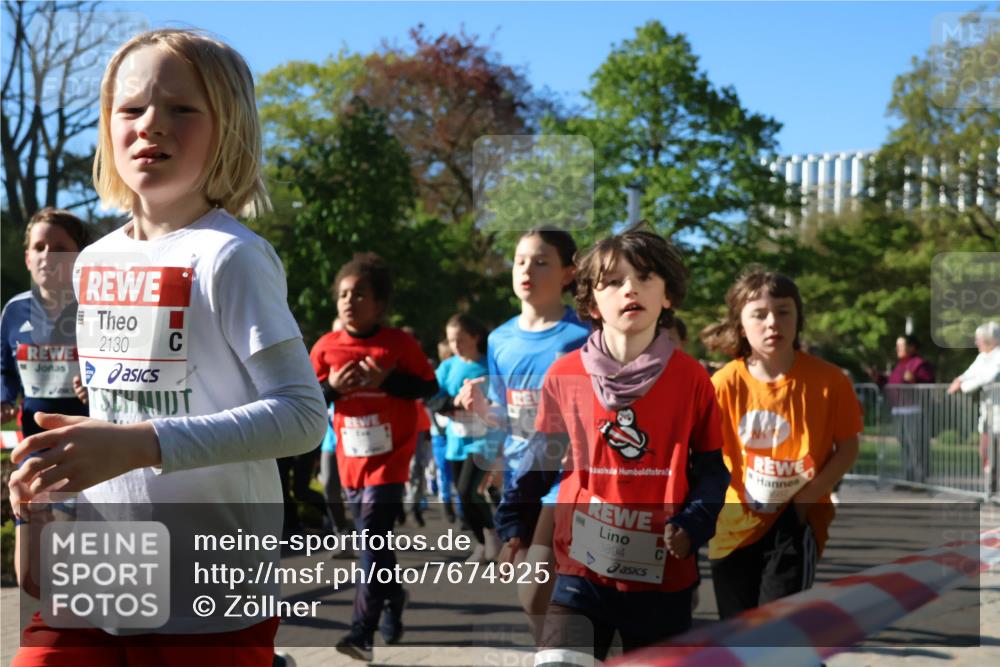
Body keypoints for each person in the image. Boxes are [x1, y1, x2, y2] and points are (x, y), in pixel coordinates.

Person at [7, 29, 327, 667]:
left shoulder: (230, 255)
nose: (151, 124)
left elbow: (302, 414)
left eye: (182, 108)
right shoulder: (93, 261)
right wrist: (50, 495)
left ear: (228, 129)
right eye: (131, 109)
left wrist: (143, 445)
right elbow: (111, 413)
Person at [495, 224, 730, 664]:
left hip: (662, 578)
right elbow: (543, 460)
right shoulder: (564, 374)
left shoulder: (692, 378)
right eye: (615, 281)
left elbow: (712, 472)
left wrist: (694, 524)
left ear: (668, 297)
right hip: (579, 570)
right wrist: (515, 520)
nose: (630, 290)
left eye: (645, 278)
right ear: (590, 301)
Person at [702, 268, 862, 619]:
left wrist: (805, 500)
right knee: (737, 632)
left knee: (777, 631)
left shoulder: (829, 381)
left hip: (795, 519)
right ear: (739, 324)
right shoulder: (724, 383)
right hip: (733, 521)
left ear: (798, 318)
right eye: (759, 314)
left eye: (783, 311)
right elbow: (705, 452)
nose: (772, 322)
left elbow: (848, 448)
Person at [460, 226, 588, 643]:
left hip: (568, 480)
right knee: (538, 594)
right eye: (519, 261)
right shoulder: (499, 339)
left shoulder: (583, 337)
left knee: (535, 592)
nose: (526, 269)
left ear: (569, 273)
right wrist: (482, 412)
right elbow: (509, 415)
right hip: (520, 479)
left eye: (541, 261)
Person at [309, 252, 438, 661]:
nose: (349, 301)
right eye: (344, 294)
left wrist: (390, 380)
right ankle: (394, 596)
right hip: (351, 463)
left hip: (391, 462)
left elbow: (427, 388)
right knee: (375, 547)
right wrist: (331, 388)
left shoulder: (399, 344)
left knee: (370, 541)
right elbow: (307, 402)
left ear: (379, 304)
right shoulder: (326, 347)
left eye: (360, 294)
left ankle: (360, 633)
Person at [1, 208, 91, 438]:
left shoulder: (99, 309)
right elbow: (5, 371)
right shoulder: (13, 311)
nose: (48, 255)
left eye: (60, 249)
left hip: (91, 444)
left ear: (80, 257)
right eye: (39, 247)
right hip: (34, 444)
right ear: (28, 258)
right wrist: (4, 399)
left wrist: (97, 386)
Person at [433, 313, 500, 562]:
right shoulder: (447, 367)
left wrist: (484, 403)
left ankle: (492, 535)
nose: (455, 346)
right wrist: (453, 403)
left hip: (486, 438)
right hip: (457, 439)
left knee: (466, 491)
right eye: (451, 341)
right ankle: (483, 542)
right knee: (465, 497)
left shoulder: (490, 365)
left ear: (475, 336)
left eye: (460, 339)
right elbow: (432, 399)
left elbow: (503, 398)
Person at [869, 335, 935, 484]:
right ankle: (908, 479)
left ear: (912, 347)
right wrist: (878, 378)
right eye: (897, 345)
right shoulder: (900, 365)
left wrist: (914, 380)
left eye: (901, 345)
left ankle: (920, 480)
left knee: (917, 447)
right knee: (905, 448)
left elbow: (928, 383)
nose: (897, 348)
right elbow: (892, 382)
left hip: (914, 411)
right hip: (899, 412)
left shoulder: (919, 364)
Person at [947, 321, 1000, 490]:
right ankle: (990, 489)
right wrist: (960, 379)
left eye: (979, 339)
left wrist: (962, 386)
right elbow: (971, 373)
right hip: (988, 414)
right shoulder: (982, 357)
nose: (976, 343)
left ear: (990, 340)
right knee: (985, 450)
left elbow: (987, 377)